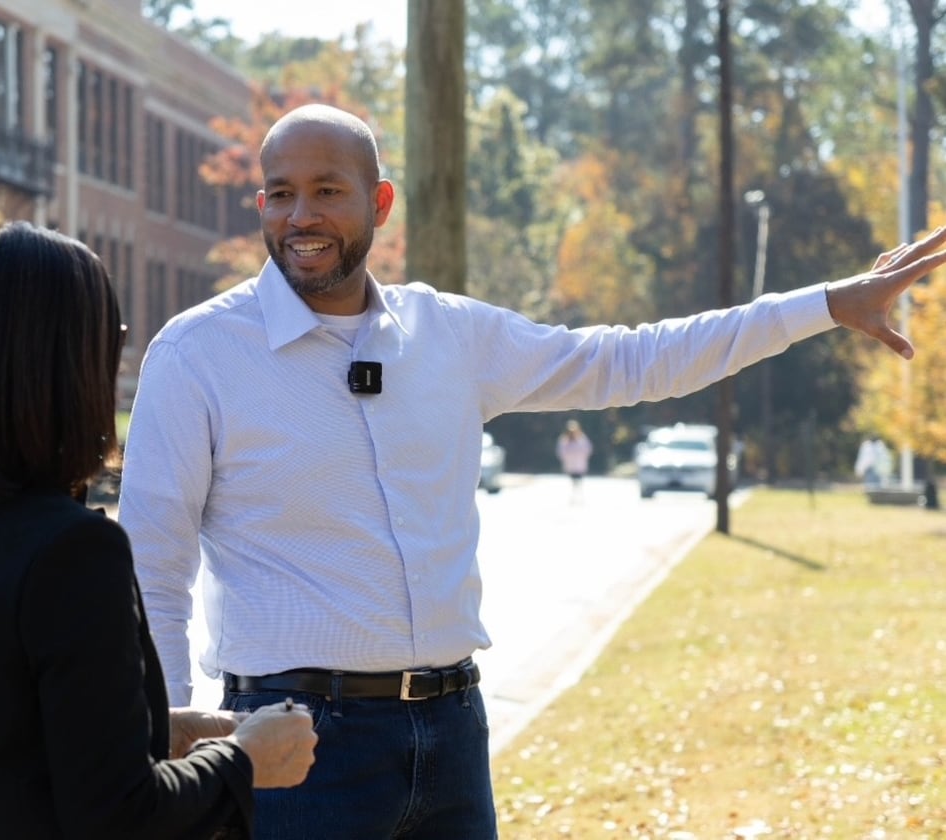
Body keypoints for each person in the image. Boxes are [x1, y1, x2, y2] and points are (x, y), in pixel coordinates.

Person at [116, 103, 946, 839]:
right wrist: (173, 752)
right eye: (280, 192)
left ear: (379, 203)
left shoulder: (452, 336)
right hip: (291, 748)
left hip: (452, 734)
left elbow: (633, 361)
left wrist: (824, 306)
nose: (302, 214)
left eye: (327, 190)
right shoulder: (197, 355)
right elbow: (153, 567)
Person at [0, 221, 317, 839]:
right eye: (113, 340)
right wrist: (245, 758)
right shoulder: (72, 552)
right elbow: (120, 817)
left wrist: (158, 728)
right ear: (64, 364)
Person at [556, 419, 594, 502]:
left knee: (579, 481)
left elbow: (588, 449)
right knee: (573, 481)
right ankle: (573, 496)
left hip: (580, 464)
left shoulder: (582, 439)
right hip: (570, 465)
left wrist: (583, 456)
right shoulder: (564, 440)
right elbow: (561, 451)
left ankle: (579, 496)